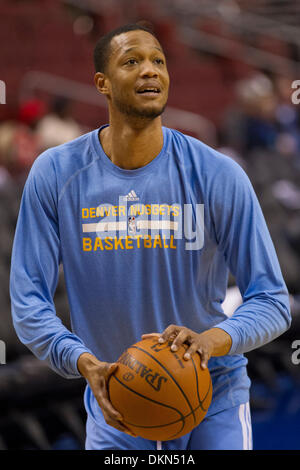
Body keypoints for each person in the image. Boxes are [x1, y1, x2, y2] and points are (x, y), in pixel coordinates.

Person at [10, 23, 291, 451]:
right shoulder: (56, 174)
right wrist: (81, 361)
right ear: (101, 84)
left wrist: (209, 342)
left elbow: (271, 299)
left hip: (212, 391)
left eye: (158, 61)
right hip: (117, 399)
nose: (150, 71)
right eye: (132, 61)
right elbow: (29, 302)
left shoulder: (218, 173)